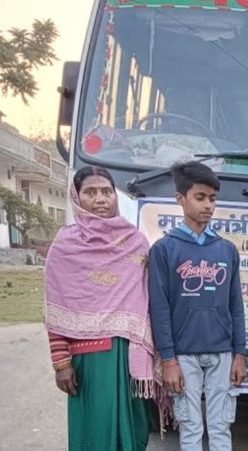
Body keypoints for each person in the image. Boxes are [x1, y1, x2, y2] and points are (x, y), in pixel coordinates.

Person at [44, 166, 161, 451]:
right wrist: (61, 363)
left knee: (134, 431)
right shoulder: (65, 246)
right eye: (91, 192)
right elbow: (56, 308)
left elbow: (150, 298)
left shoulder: (135, 242)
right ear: (77, 197)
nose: (100, 199)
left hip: (131, 356)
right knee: (94, 433)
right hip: (89, 360)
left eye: (107, 191)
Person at [148, 161, 247, 451]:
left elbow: (235, 305)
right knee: (190, 429)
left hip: (222, 353)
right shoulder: (164, 249)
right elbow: (160, 308)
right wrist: (169, 361)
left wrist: (239, 353)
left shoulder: (226, 250)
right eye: (200, 197)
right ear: (180, 199)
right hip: (183, 355)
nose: (208, 205)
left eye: (212, 198)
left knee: (221, 427)